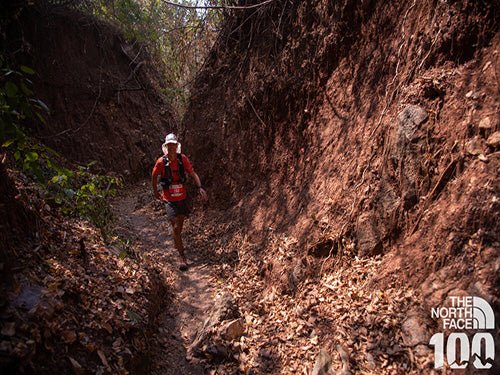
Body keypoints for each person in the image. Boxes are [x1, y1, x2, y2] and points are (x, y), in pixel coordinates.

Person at [152, 133, 207, 271]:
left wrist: (200, 187)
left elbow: (192, 173)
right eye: (169, 145)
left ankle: (177, 241)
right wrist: (155, 191)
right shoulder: (161, 162)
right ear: (166, 147)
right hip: (169, 199)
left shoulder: (183, 159)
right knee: (176, 227)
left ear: (176, 146)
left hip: (182, 198)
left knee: (179, 226)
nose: (171, 147)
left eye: (173, 145)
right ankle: (182, 257)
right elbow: (154, 176)